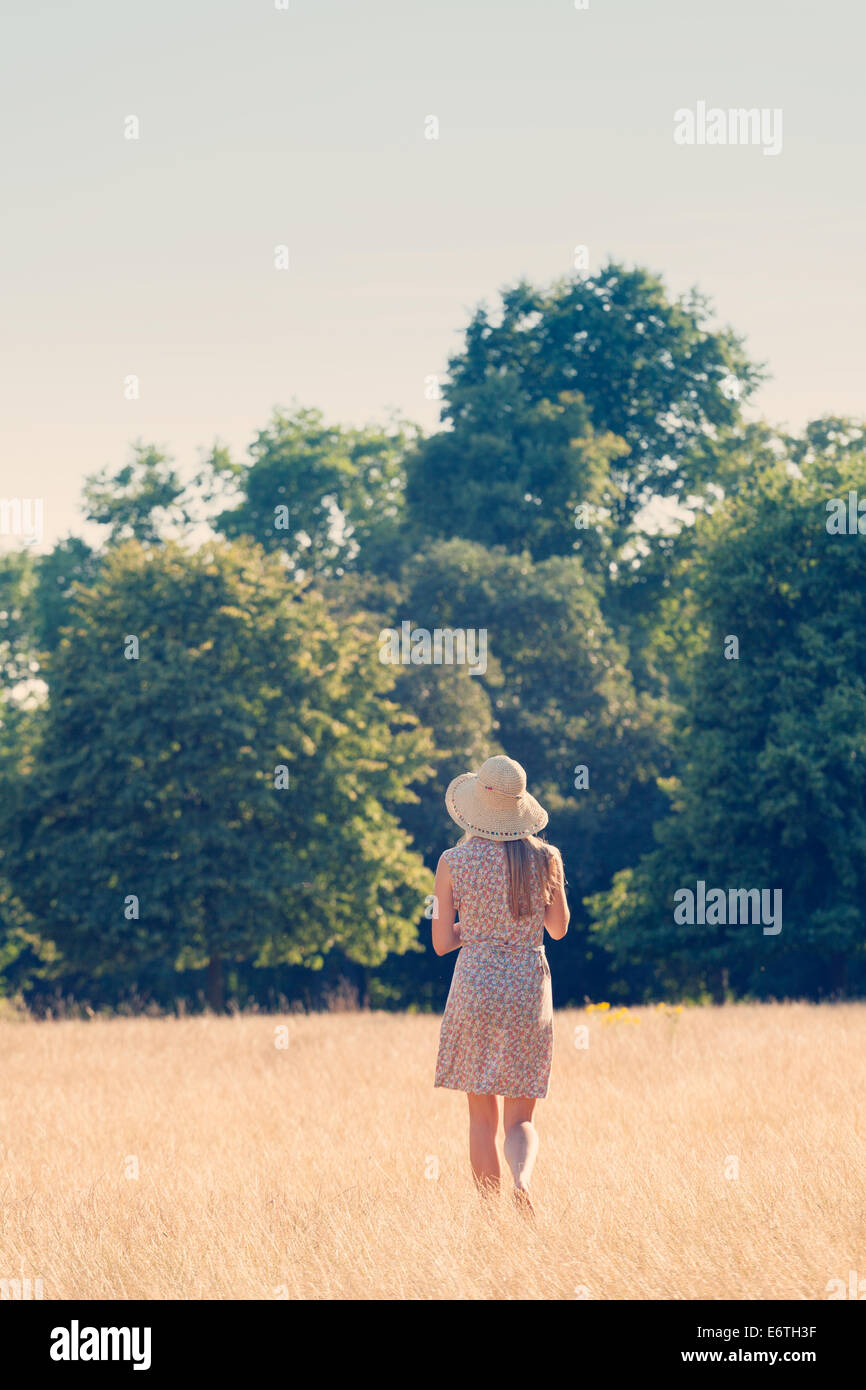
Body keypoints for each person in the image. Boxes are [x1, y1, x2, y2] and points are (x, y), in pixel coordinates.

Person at [432, 755, 569, 1213]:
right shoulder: (547, 858)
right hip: (528, 989)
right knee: (520, 1119)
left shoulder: (452, 861)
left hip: (474, 988)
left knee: (479, 1118)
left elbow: (440, 942)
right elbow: (558, 928)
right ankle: (523, 1181)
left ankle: (491, 1218)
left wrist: (476, 930)